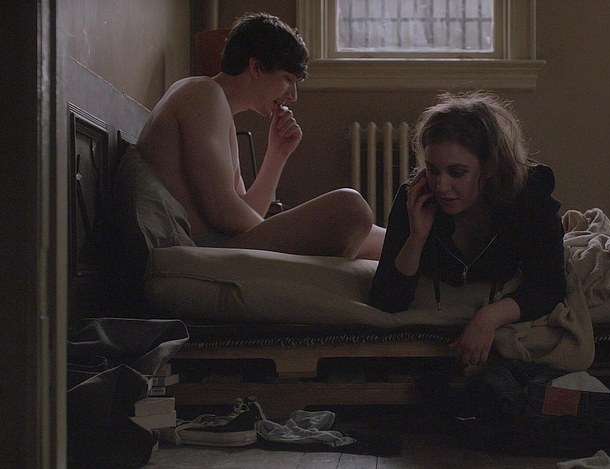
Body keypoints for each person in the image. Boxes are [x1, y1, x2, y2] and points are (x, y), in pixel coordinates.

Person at [136, 13, 384, 259]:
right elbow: (223, 212)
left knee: (377, 236)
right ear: (255, 67)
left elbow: (244, 210)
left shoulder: (217, 108)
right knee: (351, 208)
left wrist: (277, 154)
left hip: (223, 242)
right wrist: (287, 234)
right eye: (287, 79)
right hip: (208, 249)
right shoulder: (202, 93)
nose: (293, 95)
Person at [369, 91, 567, 366]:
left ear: (489, 168)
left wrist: (489, 317)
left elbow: (549, 285)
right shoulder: (416, 198)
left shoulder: (527, 196)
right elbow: (386, 301)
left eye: (457, 173)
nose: (441, 186)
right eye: (433, 170)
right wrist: (417, 237)